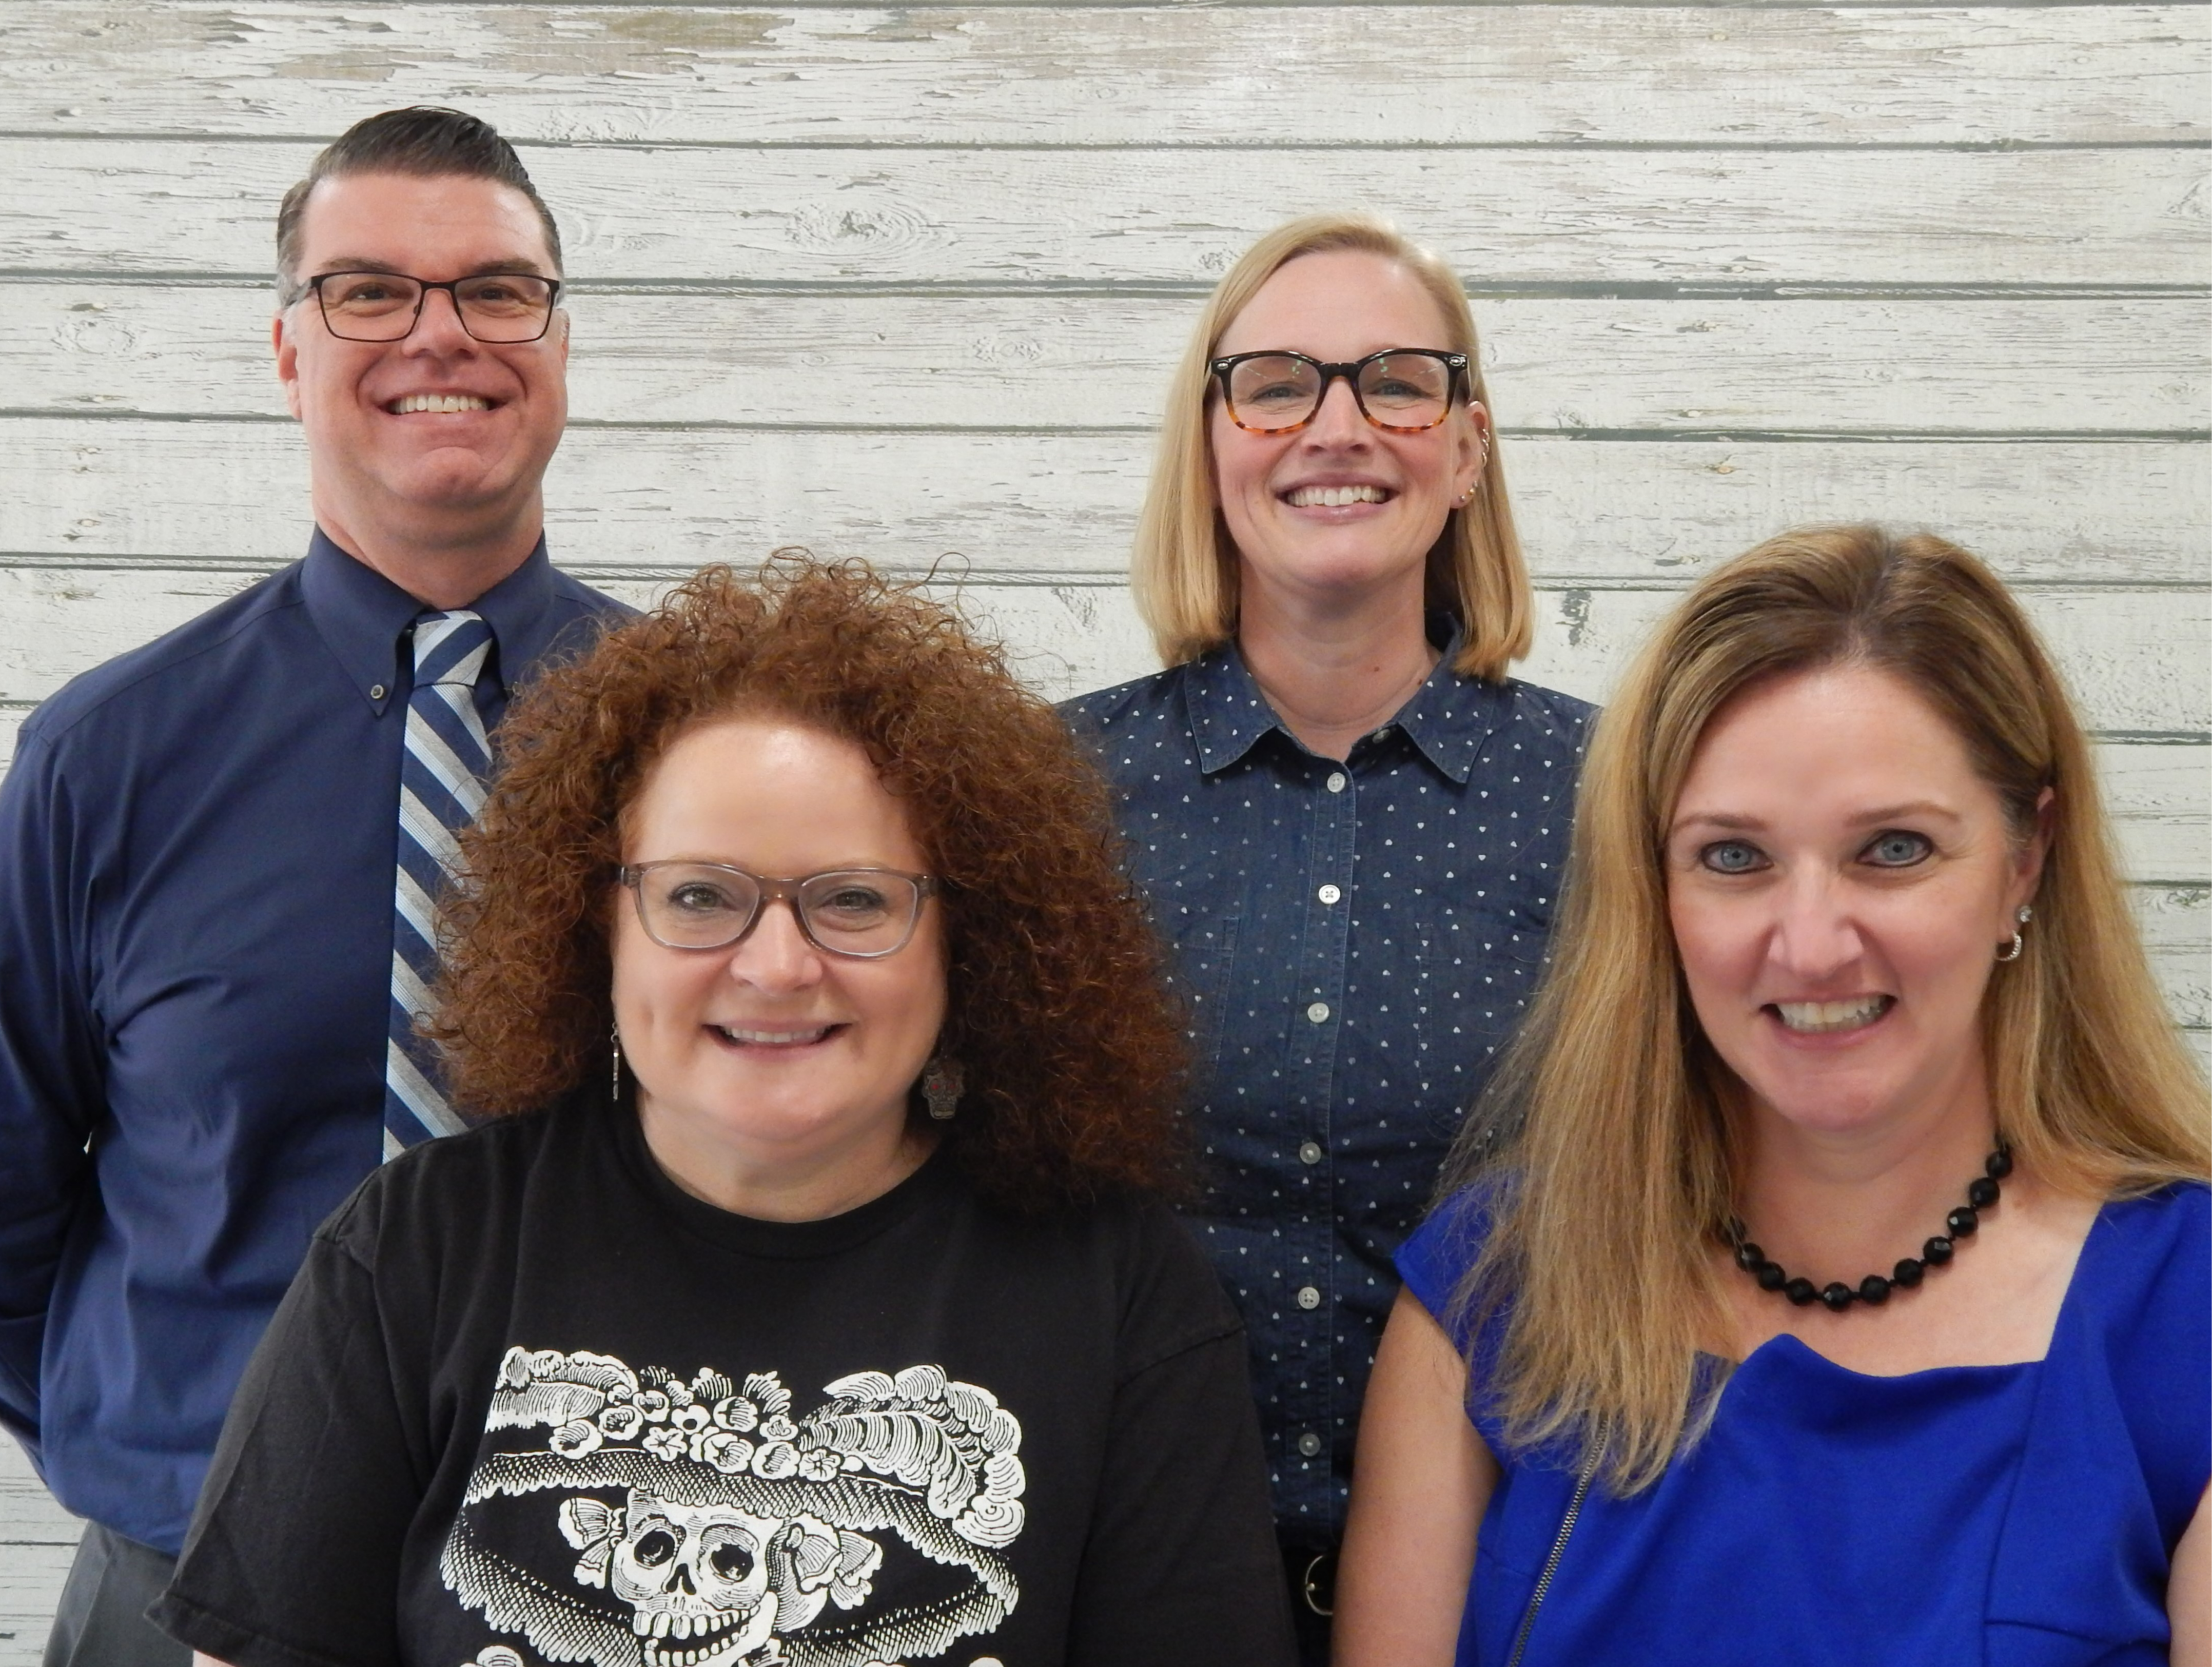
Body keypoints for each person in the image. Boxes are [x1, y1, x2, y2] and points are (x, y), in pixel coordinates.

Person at [148, 560, 1298, 1667]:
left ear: (971, 942)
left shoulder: (1117, 1293)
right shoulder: (416, 1248)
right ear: (598, 926)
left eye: (853, 899)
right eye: (700, 895)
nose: (778, 963)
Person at [1336, 525, 2212, 1665]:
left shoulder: (2185, 1312)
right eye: (1733, 858)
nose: (1809, 947)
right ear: (1652, 891)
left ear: (2025, 859)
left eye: (1892, 849)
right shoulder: (1493, 1293)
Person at [0, 107, 624, 1667]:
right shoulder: (103, 757)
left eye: (496, 290)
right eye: (368, 291)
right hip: (177, 1574)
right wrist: (164, 1447)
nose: (441, 335)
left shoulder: (710, 734)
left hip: (603, 1565)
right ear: (287, 354)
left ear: (558, 343)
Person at [1059, 212, 1591, 1658]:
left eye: (1395, 383)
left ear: (1467, 446)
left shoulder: (1614, 801)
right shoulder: (1048, 797)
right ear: (1213, 439)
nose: (1336, 426)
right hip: (1130, 1592)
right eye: (1278, 382)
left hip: (1516, 1590)